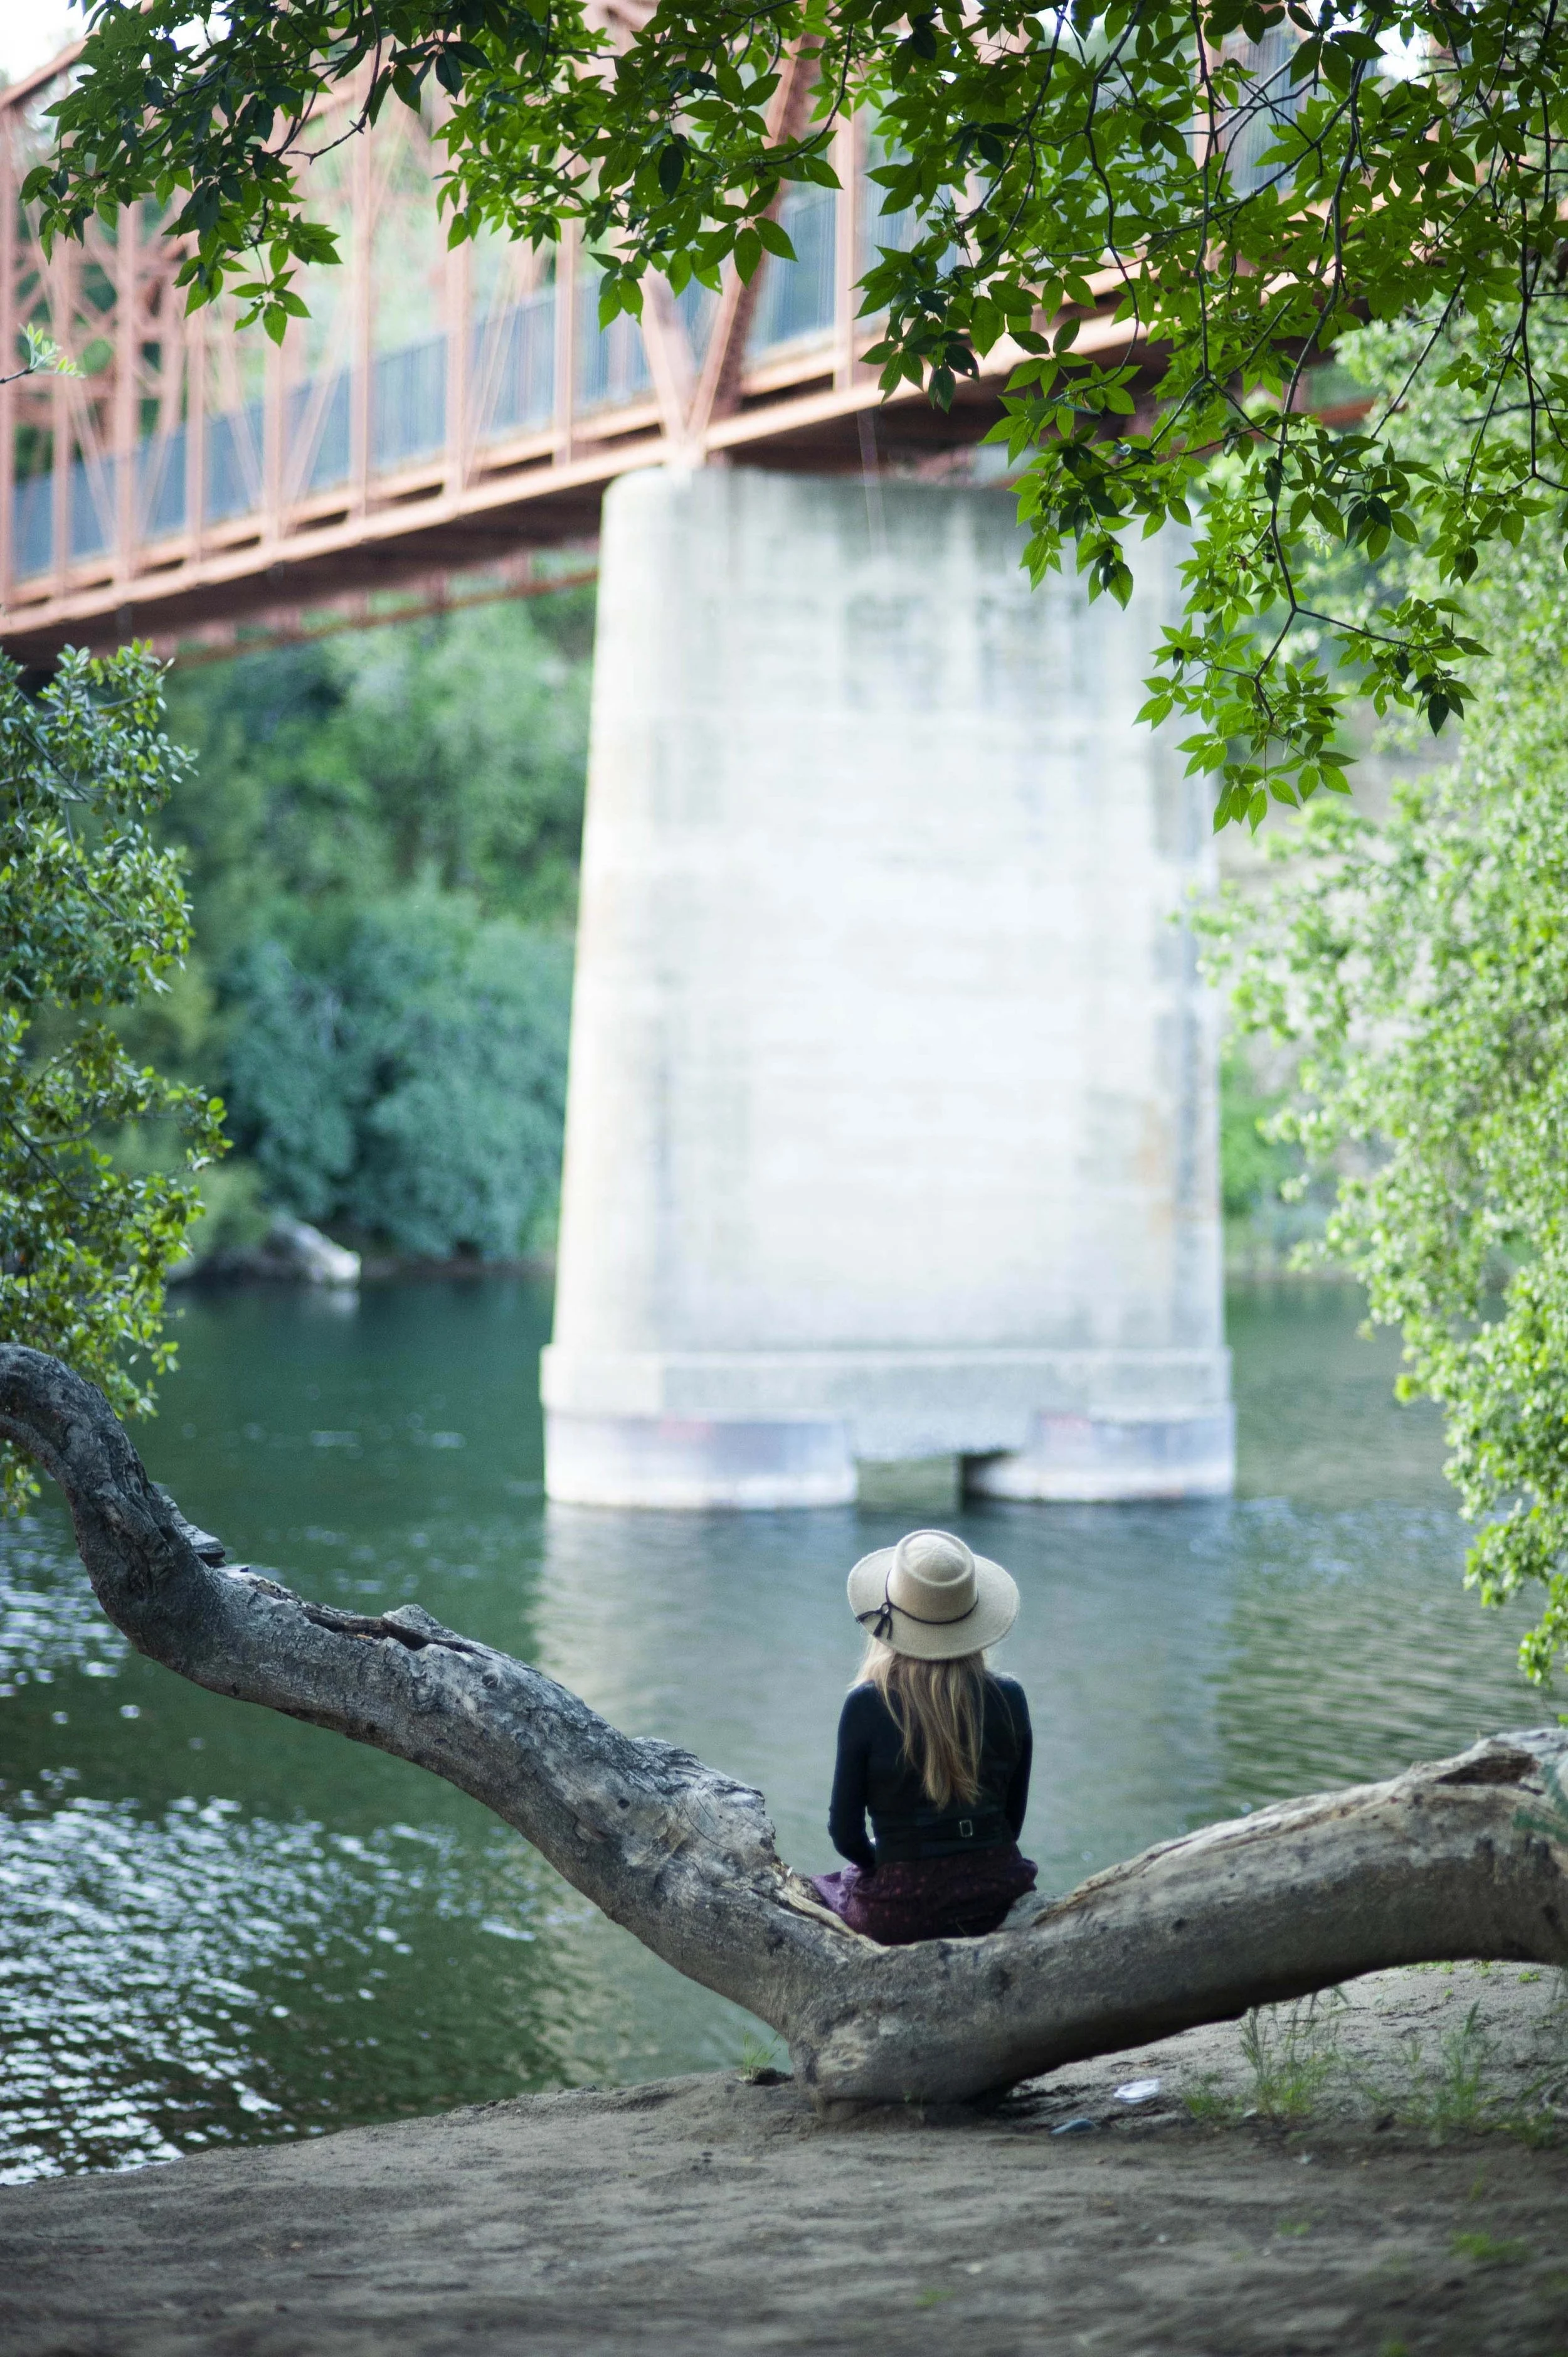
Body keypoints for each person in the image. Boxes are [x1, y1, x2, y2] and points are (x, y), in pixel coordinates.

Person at [810, 1527, 1037, 1946]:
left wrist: (890, 1860)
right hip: (996, 1897)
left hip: (901, 1912)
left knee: (820, 1890)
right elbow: (1011, 1824)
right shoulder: (1011, 1698)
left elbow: (845, 1835)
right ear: (972, 1617)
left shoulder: (866, 1705)